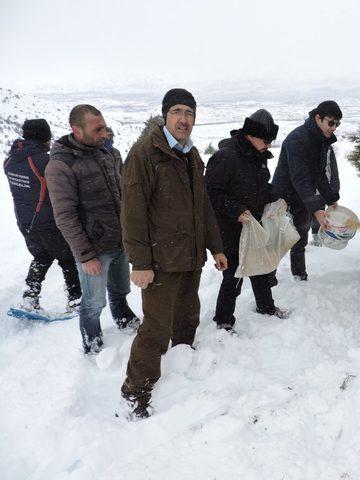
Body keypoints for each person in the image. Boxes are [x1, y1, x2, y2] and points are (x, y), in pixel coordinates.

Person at [119, 88, 228, 420]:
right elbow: (132, 213)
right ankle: (134, 392)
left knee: (188, 316)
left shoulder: (191, 155)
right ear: (165, 115)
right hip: (159, 261)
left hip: (190, 256)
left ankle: (182, 363)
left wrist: (216, 246)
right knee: (155, 329)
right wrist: (140, 263)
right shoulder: (144, 155)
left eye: (190, 113)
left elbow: (203, 206)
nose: (184, 119)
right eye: (178, 111)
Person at [46, 105, 139, 354]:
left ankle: (123, 316)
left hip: (119, 239)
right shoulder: (61, 165)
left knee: (120, 289)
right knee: (93, 302)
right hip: (94, 248)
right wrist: (85, 255)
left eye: (105, 126)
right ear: (76, 130)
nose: (105, 133)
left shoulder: (105, 154)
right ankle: (92, 338)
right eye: (97, 129)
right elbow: (65, 216)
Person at [206, 109, 289, 333]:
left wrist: (276, 197)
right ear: (251, 135)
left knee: (261, 268)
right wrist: (237, 210)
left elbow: (261, 187)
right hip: (229, 228)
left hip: (254, 226)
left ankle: (266, 307)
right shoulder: (226, 157)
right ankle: (223, 320)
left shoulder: (258, 157)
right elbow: (211, 193)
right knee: (233, 276)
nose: (269, 145)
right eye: (266, 140)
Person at [3, 119, 81, 311]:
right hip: (47, 220)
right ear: (43, 137)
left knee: (42, 256)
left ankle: (30, 297)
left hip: (25, 222)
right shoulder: (42, 161)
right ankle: (76, 300)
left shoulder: (11, 159)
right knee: (68, 259)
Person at [272, 100, 342, 279]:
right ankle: (266, 278)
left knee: (300, 234)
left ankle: (299, 275)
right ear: (318, 118)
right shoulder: (298, 139)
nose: (334, 128)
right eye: (331, 122)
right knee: (277, 239)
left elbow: (317, 175)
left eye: (337, 124)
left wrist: (331, 199)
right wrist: (317, 209)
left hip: (302, 195)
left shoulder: (320, 140)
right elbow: (299, 177)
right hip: (283, 195)